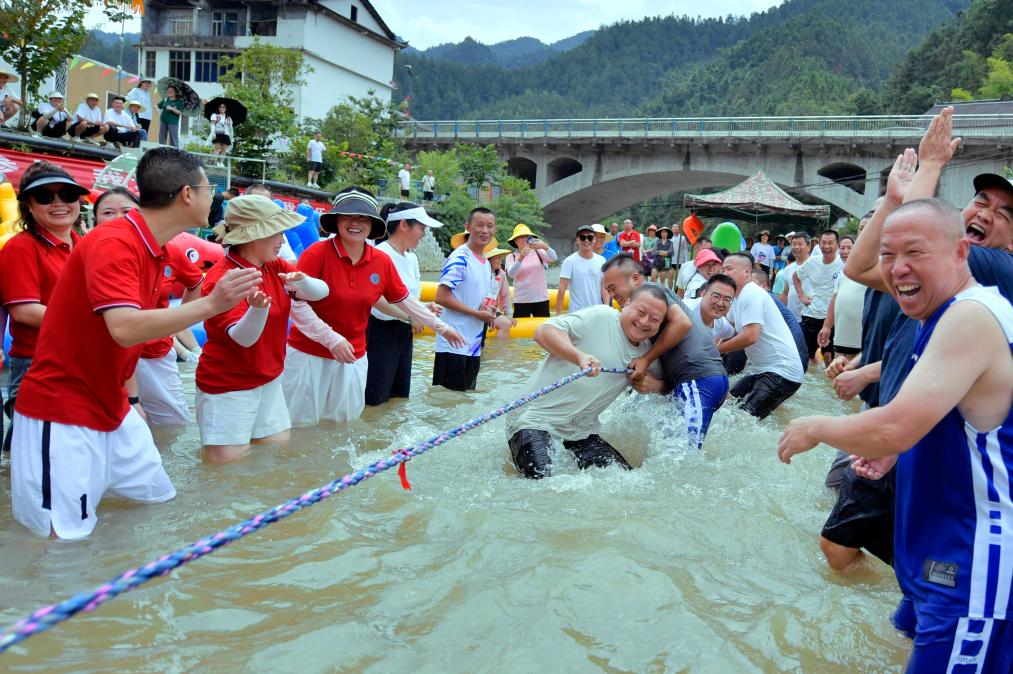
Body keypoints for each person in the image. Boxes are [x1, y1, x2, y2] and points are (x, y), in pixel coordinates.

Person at [778, 198, 1013, 672]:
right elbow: (940, 416)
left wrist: (817, 427)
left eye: (916, 252)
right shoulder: (942, 316)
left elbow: (896, 423)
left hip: (974, 560)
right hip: (936, 546)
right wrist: (894, 450)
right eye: (889, 254)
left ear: (960, 254)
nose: (897, 269)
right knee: (898, 643)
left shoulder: (971, 316)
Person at [9, 147, 264, 540]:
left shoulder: (150, 247)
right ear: (186, 195)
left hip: (112, 407)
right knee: (59, 543)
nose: (212, 197)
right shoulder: (116, 242)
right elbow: (125, 329)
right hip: (62, 412)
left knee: (157, 508)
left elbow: (124, 343)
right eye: (208, 188)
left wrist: (131, 401)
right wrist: (215, 304)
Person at [284, 187, 462, 422]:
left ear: (372, 224)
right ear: (336, 220)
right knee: (301, 430)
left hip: (353, 358)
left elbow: (405, 300)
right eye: (348, 216)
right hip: (309, 355)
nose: (355, 223)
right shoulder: (317, 253)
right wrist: (331, 339)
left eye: (363, 218)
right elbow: (296, 305)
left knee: (344, 429)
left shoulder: (380, 261)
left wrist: (442, 328)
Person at [197, 195, 328, 462]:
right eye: (276, 232)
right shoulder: (224, 278)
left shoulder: (272, 265)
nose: (283, 239)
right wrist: (258, 310)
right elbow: (242, 339)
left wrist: (303, 281)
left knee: (272, 462)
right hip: (228, 389)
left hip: (269, 380)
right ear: (253, 236)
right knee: (227, 475)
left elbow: (321, 293)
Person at [506, 285, 669, 478]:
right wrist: (579, 357)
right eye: (641, 312)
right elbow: (543, 331)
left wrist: (657, 385)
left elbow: (670, 385)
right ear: (626, 305)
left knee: (628, 480)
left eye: (654, 319)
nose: (644, 322)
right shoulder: (603, 316)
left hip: (580, 433)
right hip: (533, 420)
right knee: (543, 487)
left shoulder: (647, 355)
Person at [91, 188, 203, 428]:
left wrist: (176, 320)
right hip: (106, 353)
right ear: (95, 219)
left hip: (153, 351)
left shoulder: (167, 250)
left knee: (172, 424)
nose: (118, 217)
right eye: (108, 212)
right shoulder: (90, 251)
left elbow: (197, 282)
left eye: (127, 211)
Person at [0, 162, 87, 452]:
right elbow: (24, 310)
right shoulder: (21, 247)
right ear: (28, 205)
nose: (59, 203)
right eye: (46, 197)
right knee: (35, 454)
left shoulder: (85, 245)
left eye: (67, 195)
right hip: (38, 365)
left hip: (81, 361)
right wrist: (94, 320)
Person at [602, 256, 729, 448]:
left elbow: (682, 322)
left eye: (613, 287)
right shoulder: (647, 307)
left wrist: (645, 359)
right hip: (696, 381)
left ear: (635, 278)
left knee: (683, 456)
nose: (612, 295)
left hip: (698, 379)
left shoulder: (654, 292)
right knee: (672, 450)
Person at [364, 201, 445, 406]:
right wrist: (411, 316)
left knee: (399, 396)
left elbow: (409, 297)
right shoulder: (381, 254)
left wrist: (423, 308)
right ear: (403, 225)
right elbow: (375, 300)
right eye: (421, 228)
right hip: (380, 332)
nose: (423, 234)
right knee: (375, 398)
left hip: (404, 331)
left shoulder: (411, 259)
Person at [718, 252, 805, 418]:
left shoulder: (752, 294)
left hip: (782, 372)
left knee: (742, 420)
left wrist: (716, 350)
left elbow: (751, 336)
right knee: (724, 402)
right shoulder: (738, 297)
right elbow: (728, 328)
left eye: (729, 269)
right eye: (722, 269)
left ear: (746, 272)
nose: (724, 273)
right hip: (761, 370)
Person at [430, 207, 496, 392]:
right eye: (480, 225)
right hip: (453, 343)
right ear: (468, 227)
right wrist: (477, 313)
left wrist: (487, 310)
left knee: (465, 400)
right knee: (447, 403)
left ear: (495, 230)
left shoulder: (484, 262)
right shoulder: (460, 257)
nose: (485, 230)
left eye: (490, 226)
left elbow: (476, 297)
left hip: (473, 344)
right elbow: (441, 296)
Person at [793, 229, 843, 365]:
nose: (826, 246)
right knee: (807, 357)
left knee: (829, 358)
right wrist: (801, 295)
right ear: (818, 244)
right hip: (811, 314)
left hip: (833, 316)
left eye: (830, 243)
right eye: (823, 243)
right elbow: (796, 277)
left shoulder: (843, 263)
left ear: (837, 245)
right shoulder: (812, 262)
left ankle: (827, 385)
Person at [818, 236, 863, 360]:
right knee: (837, 374)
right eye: (842, 248)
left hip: (860, 338)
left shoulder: (867, 271)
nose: (845, 251)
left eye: (849, 248)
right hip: (841, 336)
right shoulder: (841, 274)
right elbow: (835, 299)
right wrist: (826, 326)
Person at [505, 222, 557, 318]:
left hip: (541, 298)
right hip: (522, 300)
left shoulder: (538, 252)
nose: (524, 239)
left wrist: (545, 247)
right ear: (515, 241)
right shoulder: (511, 256)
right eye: (520, 237)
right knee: (521, 330)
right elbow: (511, 274)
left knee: (543, 327)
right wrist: (521, 258)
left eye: (526, 236)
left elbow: (554, 258)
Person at [557, 224, 607, 315]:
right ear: (577, 240)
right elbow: (562, 288)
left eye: (590, 237)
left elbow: (604, 287)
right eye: (582, 237)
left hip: (597, 312)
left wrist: (607, 308)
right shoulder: (569, 261)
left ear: (594, 239)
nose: (586, 240)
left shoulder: (602, 260)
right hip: (577, 313)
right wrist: (558, 314)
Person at [682, 274, 736, 341]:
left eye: (727, 299)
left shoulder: (720, 323)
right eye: (716, 296)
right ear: (703, 294)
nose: (720, 303)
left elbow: (733, 335)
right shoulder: (684, 310)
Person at [779, 232, 811, 320]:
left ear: (809, 247)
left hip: (811, 316)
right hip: (793, 318)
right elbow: (785, 293)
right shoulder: (788, 269)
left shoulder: (815, 265)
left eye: (800, 244)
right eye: (794, 244)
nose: (796, 247)